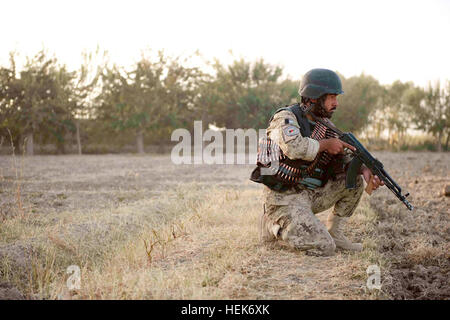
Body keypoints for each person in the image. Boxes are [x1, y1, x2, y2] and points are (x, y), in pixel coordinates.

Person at [251, 68, 384, 256]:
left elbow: (341, 158)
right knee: (324, 246)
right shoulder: (286, 118)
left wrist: (363, 169)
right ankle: (272, 224)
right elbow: (294, 148)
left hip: (309, 195)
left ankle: (335, 233)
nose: (336, 103)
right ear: (314, 97)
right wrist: (325, 145)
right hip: (283, 198)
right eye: (331, 97)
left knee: (353, 181)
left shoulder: (325, 126)